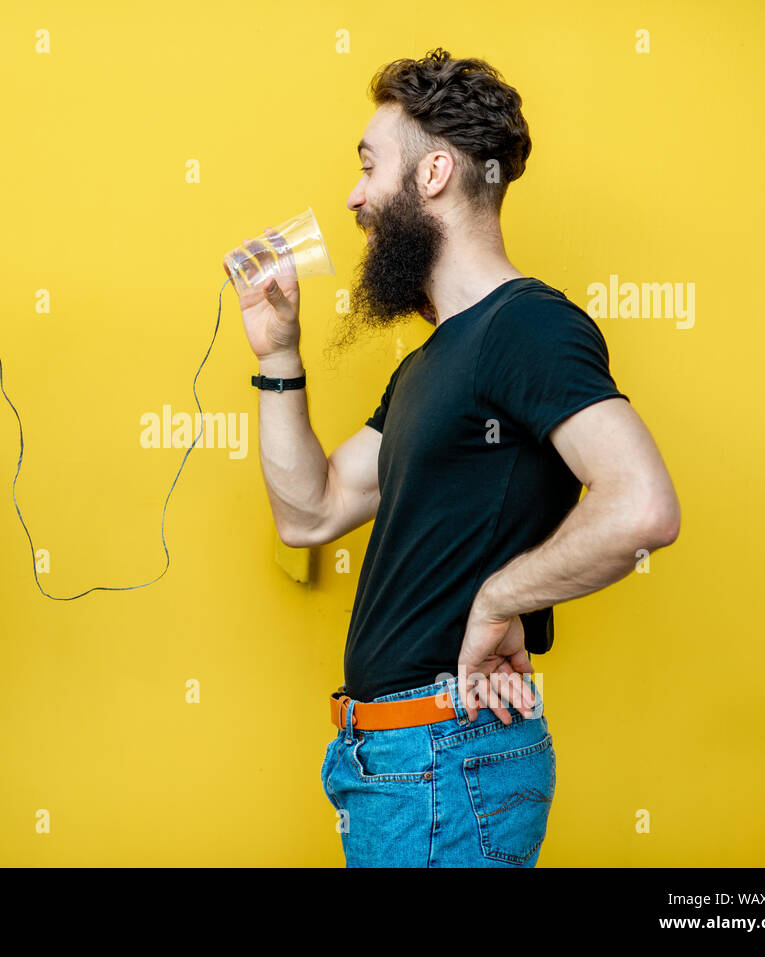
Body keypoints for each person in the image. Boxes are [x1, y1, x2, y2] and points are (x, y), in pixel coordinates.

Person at [228, 49, 681, 866]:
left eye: (369, 166)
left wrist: (499, 599)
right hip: (399, 765)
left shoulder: (526, 325)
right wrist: (280, 355)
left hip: (447, 756)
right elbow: (312, 511)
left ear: (434, 171)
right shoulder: (430, 362)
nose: (354, 196)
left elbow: (641, 504)